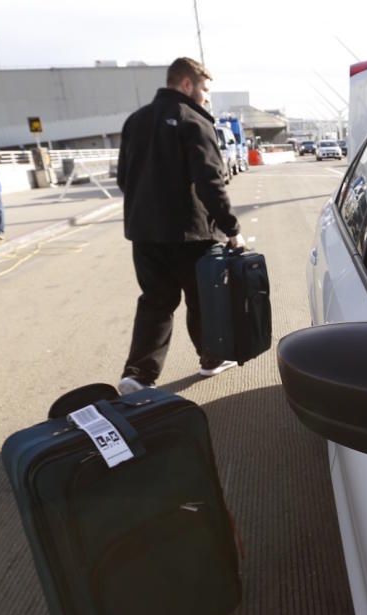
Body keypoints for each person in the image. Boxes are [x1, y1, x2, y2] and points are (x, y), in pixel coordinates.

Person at [115, 57, 243, 394]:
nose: (206, 97)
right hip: (192, 233)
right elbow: (210, 182)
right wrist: (231, 228)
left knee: (156, 301)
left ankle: (138, 375)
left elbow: (123, 179)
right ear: (187, 84)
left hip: (144, 233)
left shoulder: (135, 121)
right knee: (202, 299)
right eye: (204, 89)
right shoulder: (195, 122)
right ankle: (211, 359)